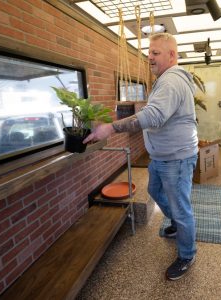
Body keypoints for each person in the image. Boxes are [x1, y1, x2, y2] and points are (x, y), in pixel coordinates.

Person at [83, 32, 198, 281]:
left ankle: (187, 254)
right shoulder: (164, 80)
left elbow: (154, 116)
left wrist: (111, 127)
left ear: (172, 55)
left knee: (180, 207)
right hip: (162, 157)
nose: (150, 58)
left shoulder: (171, 81)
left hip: (176, 158)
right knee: (156, 192)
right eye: (149, 54)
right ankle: (179, 225)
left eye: (156, 53)